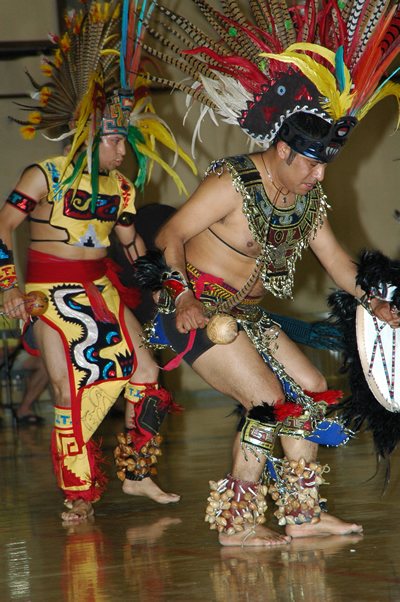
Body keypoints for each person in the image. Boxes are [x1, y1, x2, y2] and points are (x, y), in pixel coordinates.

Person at [137, 0, 400, 546]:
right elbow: (170, 235)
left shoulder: (308, 198)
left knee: (309, 389)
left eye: (326, 163)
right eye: (310, 162)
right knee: (264, 402)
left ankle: (302, 514)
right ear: (283, 149)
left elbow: (336, 260)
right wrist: (182, 295)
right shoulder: (231, 183)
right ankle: (236, 524)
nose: (318, 174)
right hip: (195, 313)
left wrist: (370, 300)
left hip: (245, 316)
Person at [0, 0, 195, 521]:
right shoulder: (43, 174)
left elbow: (131, 248)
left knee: (148, 371)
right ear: (88, 132)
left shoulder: (124, 188)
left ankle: (138, 475)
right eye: (114, 139)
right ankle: (78, 494)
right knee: (66, 389)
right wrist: (8, 287)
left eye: (124, 140)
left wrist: (166, 289)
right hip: (50, 297)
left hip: (101, 291)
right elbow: (2, 228)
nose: (121, 150)